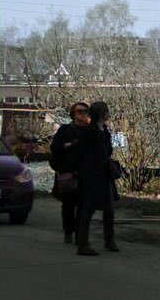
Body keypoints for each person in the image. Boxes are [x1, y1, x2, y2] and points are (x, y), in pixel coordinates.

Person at [74, 101, 119, 256]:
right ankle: (82, 244)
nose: (108, 113)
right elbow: (81, 152)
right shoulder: (89, 131)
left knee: (109, 208)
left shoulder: (104, 130)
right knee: (89, 208)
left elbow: (108, 150)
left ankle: (109, 240)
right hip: (92, 174)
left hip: (105, 173)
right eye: (106, 111)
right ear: (100, 113)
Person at [49, 101, 90, 244]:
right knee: (68, 206)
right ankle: (68, 232)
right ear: (73, 114)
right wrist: (70, 145)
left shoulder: (90, 130)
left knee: (84, 205)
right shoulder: (65, 130)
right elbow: (54, 149)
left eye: (85, 111)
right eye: (80, 111)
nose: (83, 114)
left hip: (85, 174)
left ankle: (80, 234)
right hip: (68, 173)